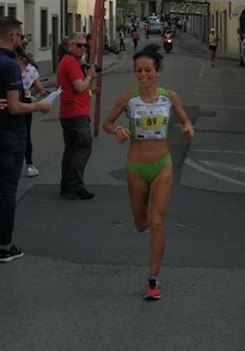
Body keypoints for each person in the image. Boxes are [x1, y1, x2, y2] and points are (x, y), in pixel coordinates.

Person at [102, 45, 194, 300]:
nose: (143, 75)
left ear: (158, 71)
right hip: (136, 167)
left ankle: (153, 280)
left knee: (157, 221)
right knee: (141, 224)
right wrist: (117, 130)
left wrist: (187, 126)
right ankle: (144, 225)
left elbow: (185, 118)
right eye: (138, 71)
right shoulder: (128, 99)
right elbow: (107, 123)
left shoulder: (169, 97)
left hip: (162, 164)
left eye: (148, 70)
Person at [0, 17, 52, 263]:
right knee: (8, 189)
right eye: (20, 36)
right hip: (10, 133)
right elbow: (15, 106)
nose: (21, 40)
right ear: (12, 37)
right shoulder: (9, 65)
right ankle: (5, 246)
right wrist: (39, 106)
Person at [57, 33, 96, 200]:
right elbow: (79, 87)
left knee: (71, 150)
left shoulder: (68, 62)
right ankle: (75, 185)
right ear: (70, 46)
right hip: (76, 113)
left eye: (85, 46)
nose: (82, 48)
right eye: (79, 45)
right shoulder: (71, 63)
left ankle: (66, 185)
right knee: (83, 147)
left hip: (69, 112)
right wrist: (89, 76)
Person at [16, 45, 47, 178]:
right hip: (26, 101)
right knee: (26, 133)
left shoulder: (11, 67)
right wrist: (31, 92)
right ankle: (29, 165)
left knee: (13, 132)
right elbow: (39, 87)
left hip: (12, 99)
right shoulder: (31, 69)